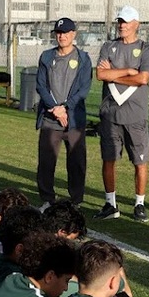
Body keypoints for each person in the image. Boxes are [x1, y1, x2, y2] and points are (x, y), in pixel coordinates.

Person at [95, 5, 149, 222]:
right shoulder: (109, 46)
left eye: (126, 22)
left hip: (135, 115)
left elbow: (143, 79)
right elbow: (100, 74)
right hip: (110, 114)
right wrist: (129, 71)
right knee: (108, 159)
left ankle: (139, 203)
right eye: (120, 21)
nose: (122, 25)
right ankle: (110, 203)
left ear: (136, 24)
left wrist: (115, 75)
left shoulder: (145, 49)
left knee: (140, 161)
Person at [36, 17, 92, 209]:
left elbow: (84, 89)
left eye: (66, 33)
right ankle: (47, 199)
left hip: (74, 120)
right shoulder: (46, 57)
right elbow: (41, 86)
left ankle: (75, 201)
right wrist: (55, 109)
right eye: (59, 33)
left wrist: (66, 108)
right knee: (46, 162)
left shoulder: (83, 58)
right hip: (51, 119)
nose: (62, 36)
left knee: (77, 162)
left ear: (74, 34)